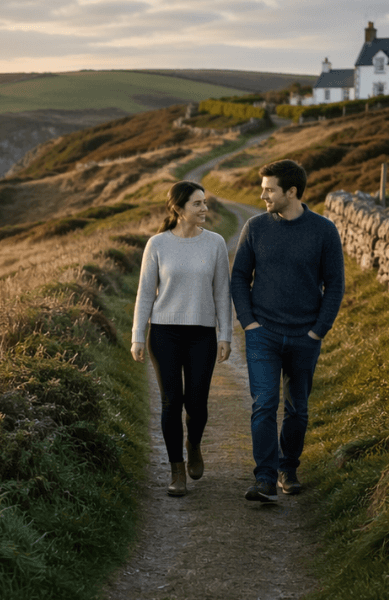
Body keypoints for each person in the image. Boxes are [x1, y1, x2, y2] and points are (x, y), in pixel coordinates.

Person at [230, 159, 344, 503]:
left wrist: (317, 331)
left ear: (291, 192)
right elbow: (239, 277)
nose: (262, 195)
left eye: (269, 189)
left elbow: (335, 285)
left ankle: (288, 469)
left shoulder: (324, 230)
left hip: (304, 336)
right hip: (262, 333)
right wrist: (248, 322)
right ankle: (264, 478)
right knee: (264, 403)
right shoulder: (255, 227)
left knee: (298, 409)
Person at [131, 180, 232, 497]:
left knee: (197, 405)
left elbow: (222, 293)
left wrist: (225, 334)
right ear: (178, 209)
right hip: (164, 333)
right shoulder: (157, 244)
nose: (205, 209)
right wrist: (137, 336)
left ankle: (194, 443)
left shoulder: (215, 243)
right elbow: (145, 294)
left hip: (202, 333)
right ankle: (177, 470)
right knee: (171, 402)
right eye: (198, 204)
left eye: (205, 202)